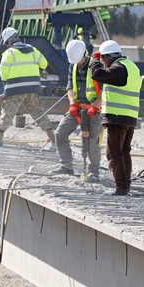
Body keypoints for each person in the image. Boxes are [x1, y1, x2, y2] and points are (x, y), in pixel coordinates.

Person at [0, 27, 56, 147]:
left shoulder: (9, 53)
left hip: (15, 88)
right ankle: (52, 139)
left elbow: (3, 73)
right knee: (38, 111)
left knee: (8, 112)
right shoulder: (33, 49)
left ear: (9, 41)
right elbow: (44, 64)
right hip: (33, 87)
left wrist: (7, 83)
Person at [89, 40, 141, 196]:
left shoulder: (119, 68)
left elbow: (97, 75)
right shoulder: (131, 66)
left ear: (109, 56)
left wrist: (94, 61)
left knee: (114, 152)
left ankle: (121, 187)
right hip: (129, 116)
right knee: (124, 151)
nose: (103, 63)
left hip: (118, 117)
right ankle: (125, 186)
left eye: (104, 59)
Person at [52, 40, 103, 181]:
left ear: (84, 54)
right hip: (78, 108)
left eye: (80, 60)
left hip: (93, 110)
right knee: (60, 133)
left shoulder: (96, 66)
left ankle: (94, 172)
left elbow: (103, 90)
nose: (78, 63)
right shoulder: (73, 66)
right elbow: (70, 87)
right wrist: (72, 103)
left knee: (92, 142)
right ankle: (66, 167)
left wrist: (96, 106)